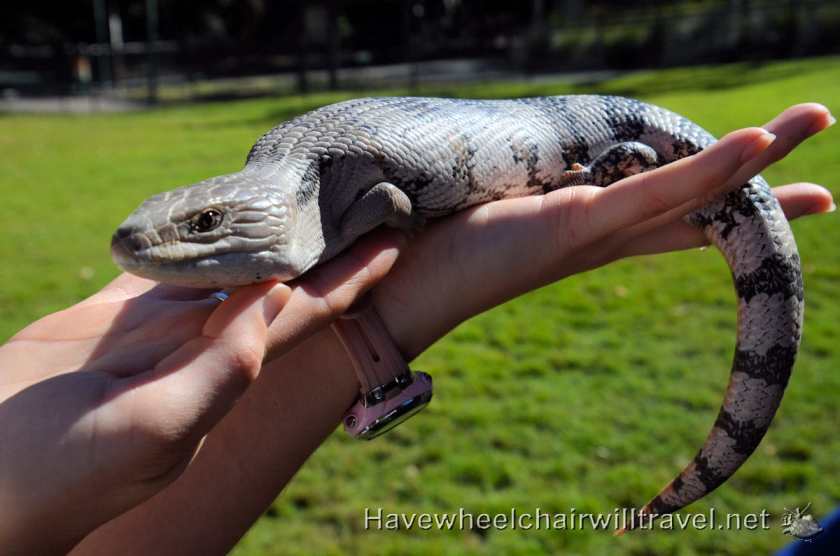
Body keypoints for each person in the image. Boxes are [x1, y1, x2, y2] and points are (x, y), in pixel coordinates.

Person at [0, 104, 834, 554]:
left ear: (251, 212)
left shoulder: (319, 191)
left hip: (585, 129)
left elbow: (394, 205)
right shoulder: (286, 184)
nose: (161, 247)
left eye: (207, 224)